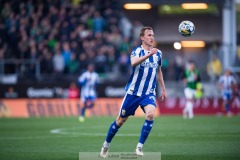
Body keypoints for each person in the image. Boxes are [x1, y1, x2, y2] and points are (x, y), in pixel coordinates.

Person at [99, 26, 166, 158]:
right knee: (120, 121)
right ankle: (106, 145)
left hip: (148, 93)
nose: (152, 37)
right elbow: (133, 63)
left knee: (151, 114)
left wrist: (163, 88)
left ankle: (139, 147)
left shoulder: (158, 53)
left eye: (153, 35)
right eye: (149, 35)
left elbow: (159, 71)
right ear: (142, 38)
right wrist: (148, 54)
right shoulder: (137, 51)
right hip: (133, 93)